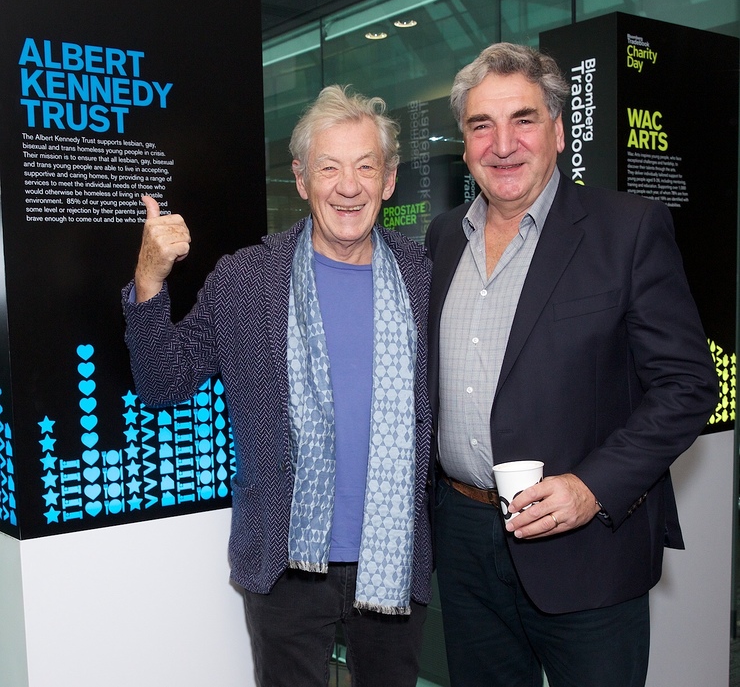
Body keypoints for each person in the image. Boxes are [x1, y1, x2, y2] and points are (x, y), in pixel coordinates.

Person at [426, 42, 718, 687]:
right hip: (466, 540)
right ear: (465, 141)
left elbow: (689, 385)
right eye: (482, 125)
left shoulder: (628, 229)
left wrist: (591, 489)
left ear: (558, 130)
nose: (503, 144)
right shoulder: (444, 238)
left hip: (586, 548)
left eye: (523, 119)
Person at [123, 85, 433, 687]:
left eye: (366, 167)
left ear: (389, 180)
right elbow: (163, 382)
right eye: (329, 167)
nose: (349, 186)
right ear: (301, 178)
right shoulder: (247, 278)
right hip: (283, 562)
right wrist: (148, 279)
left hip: (394, 559)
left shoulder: (425, 277)